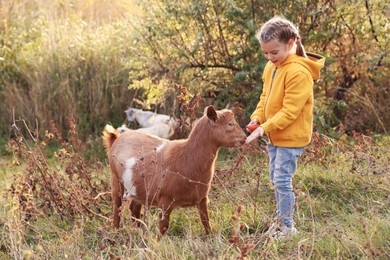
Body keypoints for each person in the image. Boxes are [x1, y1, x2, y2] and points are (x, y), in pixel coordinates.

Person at [245, 16, 325, 239]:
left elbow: (290, 112)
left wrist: (264, 129)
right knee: (275, 178)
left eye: (274, 52)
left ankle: (287, 227)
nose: (269, 57)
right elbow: (265, 97)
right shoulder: (272, 67)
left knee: (281, 179)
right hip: (274, 135)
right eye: (265, 53)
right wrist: (257, 119)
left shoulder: (298, 72)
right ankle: (281, 220)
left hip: (292, 137)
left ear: (291, 44)